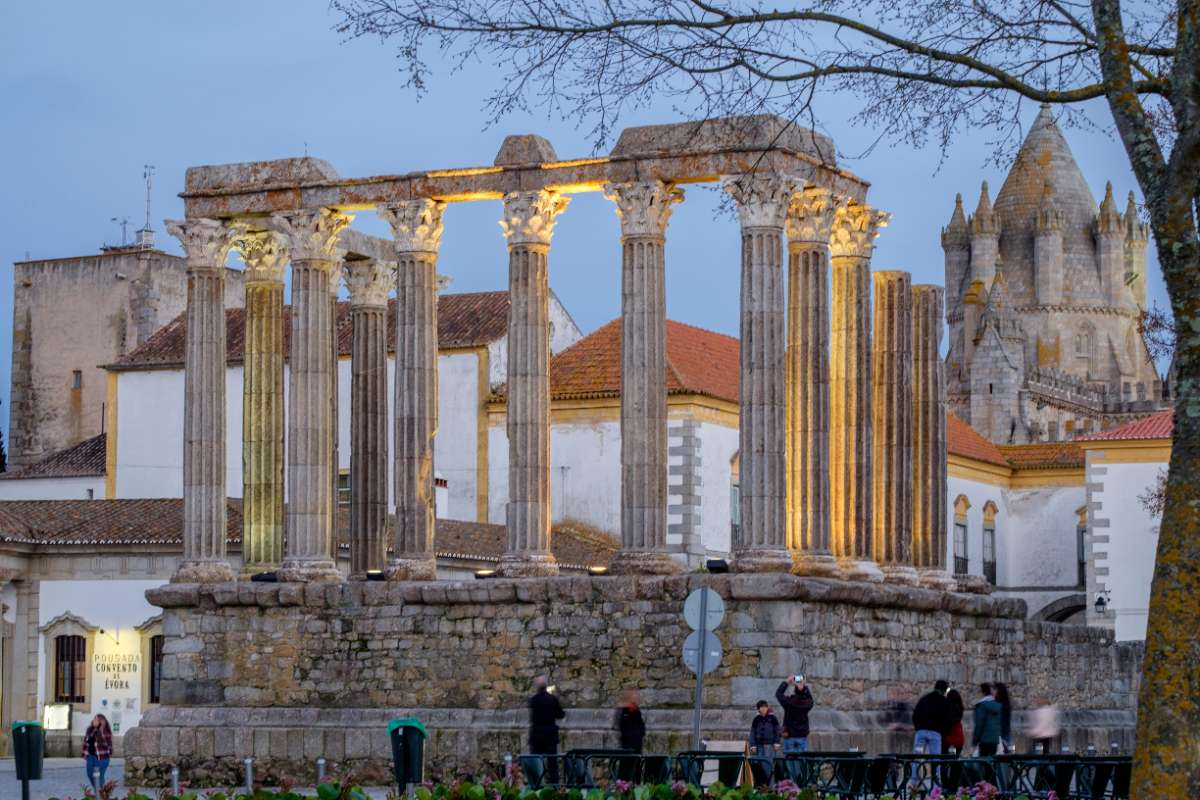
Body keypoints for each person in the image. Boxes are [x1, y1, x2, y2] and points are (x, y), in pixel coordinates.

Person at [529, 676, 566, 784]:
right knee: (552, 764)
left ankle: (536, 786)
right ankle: (555, 787)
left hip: (536, 736)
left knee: (536, 763)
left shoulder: (533, 700)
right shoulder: (552, 699)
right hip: (550, 736)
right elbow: (561, 714)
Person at [775, 674, 815, 753]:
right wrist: (804, 686)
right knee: (802, 761)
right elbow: (811, 699)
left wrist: (787, 681)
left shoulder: (789, 702)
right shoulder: (807, 703)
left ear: (795, 691)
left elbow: (779, 694)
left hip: (790, 736)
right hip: (802, 736)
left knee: (790, 762)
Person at [912, 679, 950, 756]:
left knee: (917, 757)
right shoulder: (944, 701)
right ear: (944, 690)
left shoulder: (924, 699)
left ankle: (914, 768)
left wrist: (918, 728)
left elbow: (915, 715)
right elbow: (946, 718)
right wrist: (942, 731)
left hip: (921, 732)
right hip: (935, 733)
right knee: (936, 759)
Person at [82, 714, 113, 790]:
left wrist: (100, 728)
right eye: (94, 719)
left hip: (102, 758)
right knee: (90, 774)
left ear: (101, 722)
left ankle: (99, 793)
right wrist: (95, 729)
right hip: (90, 757)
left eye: (97, 719)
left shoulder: (106, 731)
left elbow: (106, 744)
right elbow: (86, 741)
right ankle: (99, 790)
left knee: (98, 776)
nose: (94, 721)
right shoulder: (90, 730)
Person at [972, 683, 1003, 757]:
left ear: (982, 692)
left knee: (983, 762)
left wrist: (975, 741)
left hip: (984, 739)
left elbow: (979, 725)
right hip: (995, 739)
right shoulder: (998, 706)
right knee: (992, 762)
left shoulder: (981, 706)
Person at [615, 688, 646, 752]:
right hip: (627, 742)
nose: (634, 696)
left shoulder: (636, 709)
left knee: (636, 759)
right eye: (632, 695)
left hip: (637, 742)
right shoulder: (623, 709)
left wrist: (641, 734)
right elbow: (621, 725)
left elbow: (641, 723)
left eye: (634, 695)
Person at [943, 689, 966, 755]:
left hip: (949, 740)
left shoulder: (947, 710)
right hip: (959, 739)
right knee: (955, 761)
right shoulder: (960, 709)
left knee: (945, 761)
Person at [994, 682, 1013, 753]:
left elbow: (1003, 721)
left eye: (995, 690)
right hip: (1005, 733)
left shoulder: (999, 705)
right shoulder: (1006, 704)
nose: (993, 692)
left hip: (1001, 735)